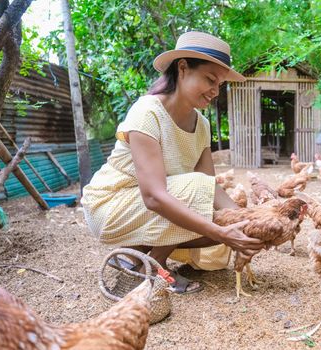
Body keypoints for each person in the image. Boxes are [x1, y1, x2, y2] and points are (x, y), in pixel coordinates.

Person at [81, 31, 264, 294]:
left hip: (147, 205)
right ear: (182, 68)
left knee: (225, 225)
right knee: (214, 224)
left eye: (220, 84)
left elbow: (211, 188)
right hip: (111, 205)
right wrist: (219, 231)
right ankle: (156, 266)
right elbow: (155, 197)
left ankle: (134, 254)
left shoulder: (201, 125)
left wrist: (248, 221)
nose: (215, 91)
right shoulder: (148, 112)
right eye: (210, 79)